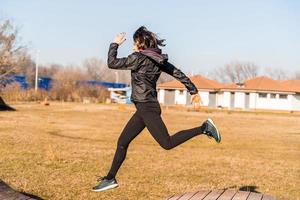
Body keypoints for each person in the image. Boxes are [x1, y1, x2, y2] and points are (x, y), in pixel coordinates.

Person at [92, 26, 221, 192]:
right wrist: (193, 91)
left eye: (134, 43)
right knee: (122, 142)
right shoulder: (158, 59)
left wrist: (114, 44)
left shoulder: (137, 57)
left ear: (140, 44)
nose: (132, 46)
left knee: (167, 143)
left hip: (147, 108)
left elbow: (112, 63)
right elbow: (178, 73)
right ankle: (110, 178)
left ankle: (204, 128)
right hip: (145, 108)